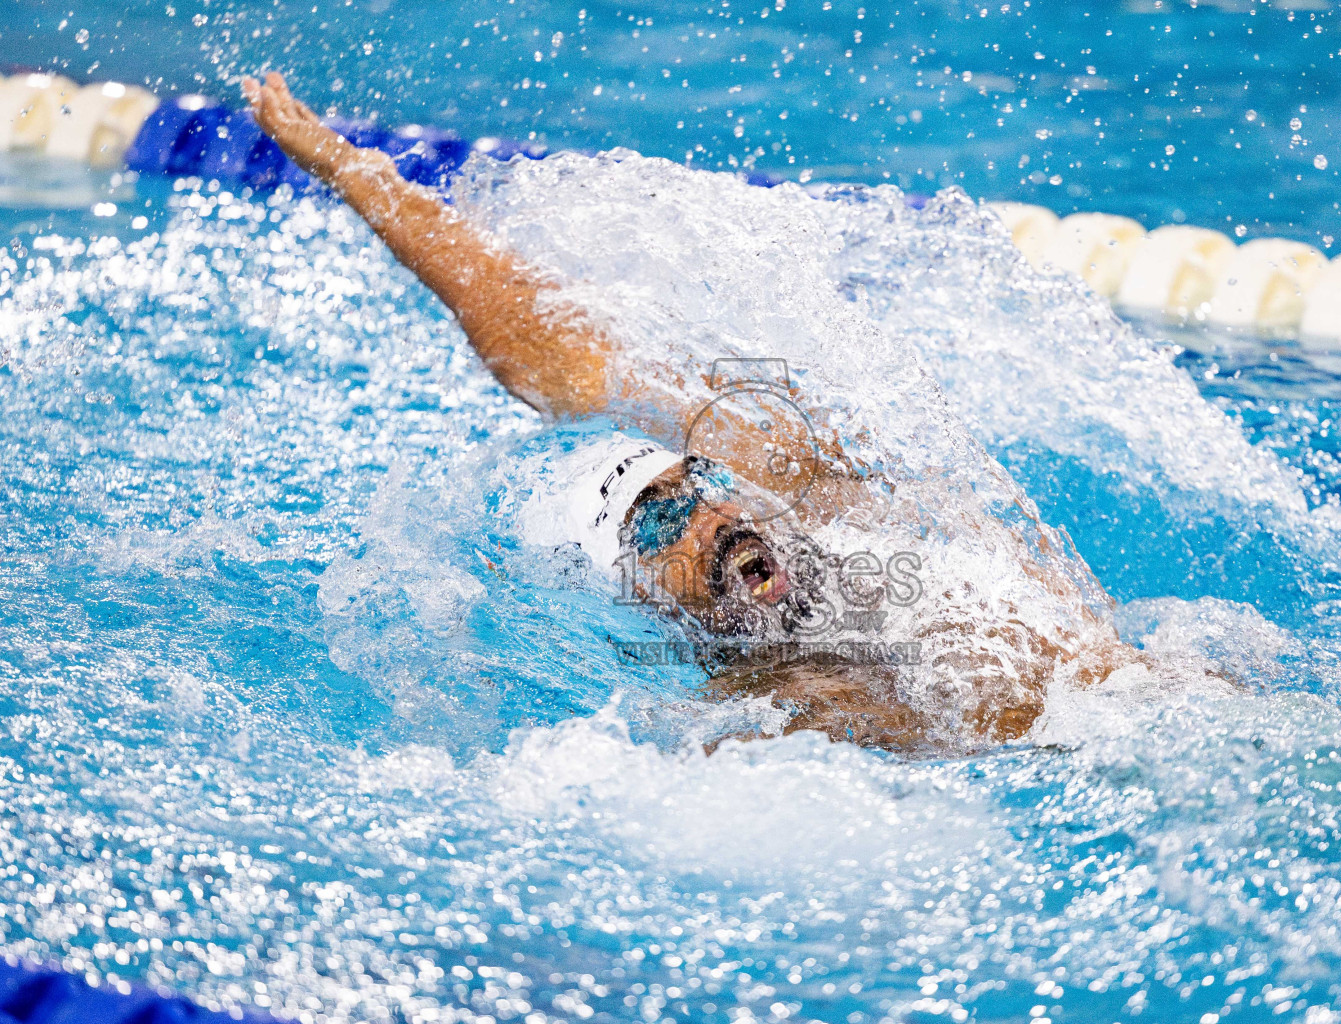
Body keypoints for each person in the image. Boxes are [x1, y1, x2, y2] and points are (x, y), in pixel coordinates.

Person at [241, 72, 1138, 753]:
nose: (711, 509)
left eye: (699, 482)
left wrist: (349, 170)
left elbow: (533, 335)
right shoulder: (761, 729)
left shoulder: (819, 502)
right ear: (634, 592)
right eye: (663, 515)